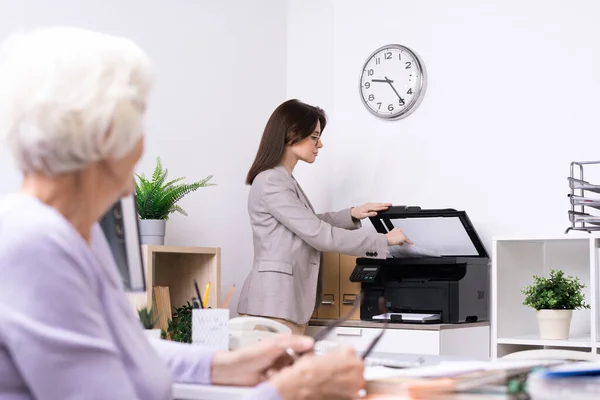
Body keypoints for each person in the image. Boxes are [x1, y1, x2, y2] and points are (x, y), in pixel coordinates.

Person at [0, 27, 365, 400]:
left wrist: (227, 365)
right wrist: (284, 392)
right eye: (138, 119)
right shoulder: (34, 246)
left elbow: (129, 349)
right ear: (104, 136)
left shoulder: (78, 236)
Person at [237, 99, 413, 334]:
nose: (320, 144)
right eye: (314, 136)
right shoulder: (272, 181)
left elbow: (304, 223)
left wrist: (351, 214)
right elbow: (318, 234)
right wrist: (384, 240)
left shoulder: (282, 179)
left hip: (283, 304)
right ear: (292, 135)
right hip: (273, 304)